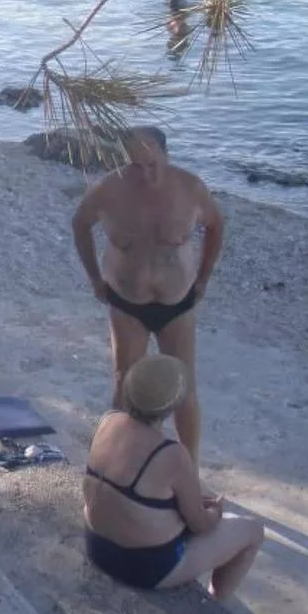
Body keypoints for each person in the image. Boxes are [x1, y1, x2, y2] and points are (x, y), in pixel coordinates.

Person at [71, 126, 224, 463]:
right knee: (124, 386)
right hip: (127, 303)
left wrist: (203, 279)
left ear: (165, 154)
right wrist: (95, 278)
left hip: (177, 304)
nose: (145, 173)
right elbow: (80, 224)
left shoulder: (189, 188)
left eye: (152, 163)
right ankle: (115, 462)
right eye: (137, 166)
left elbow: (216, 226)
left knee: (183, 389)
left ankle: (189, 466)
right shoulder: (108, 190)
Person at [84, 355, 263, 597]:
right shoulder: (172, 454)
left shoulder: (108, 420)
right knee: (253, 531)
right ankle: (213, 604)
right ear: (171, 406)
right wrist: (215, 512)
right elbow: (199, 525)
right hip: (145, 570)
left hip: (97, 546)